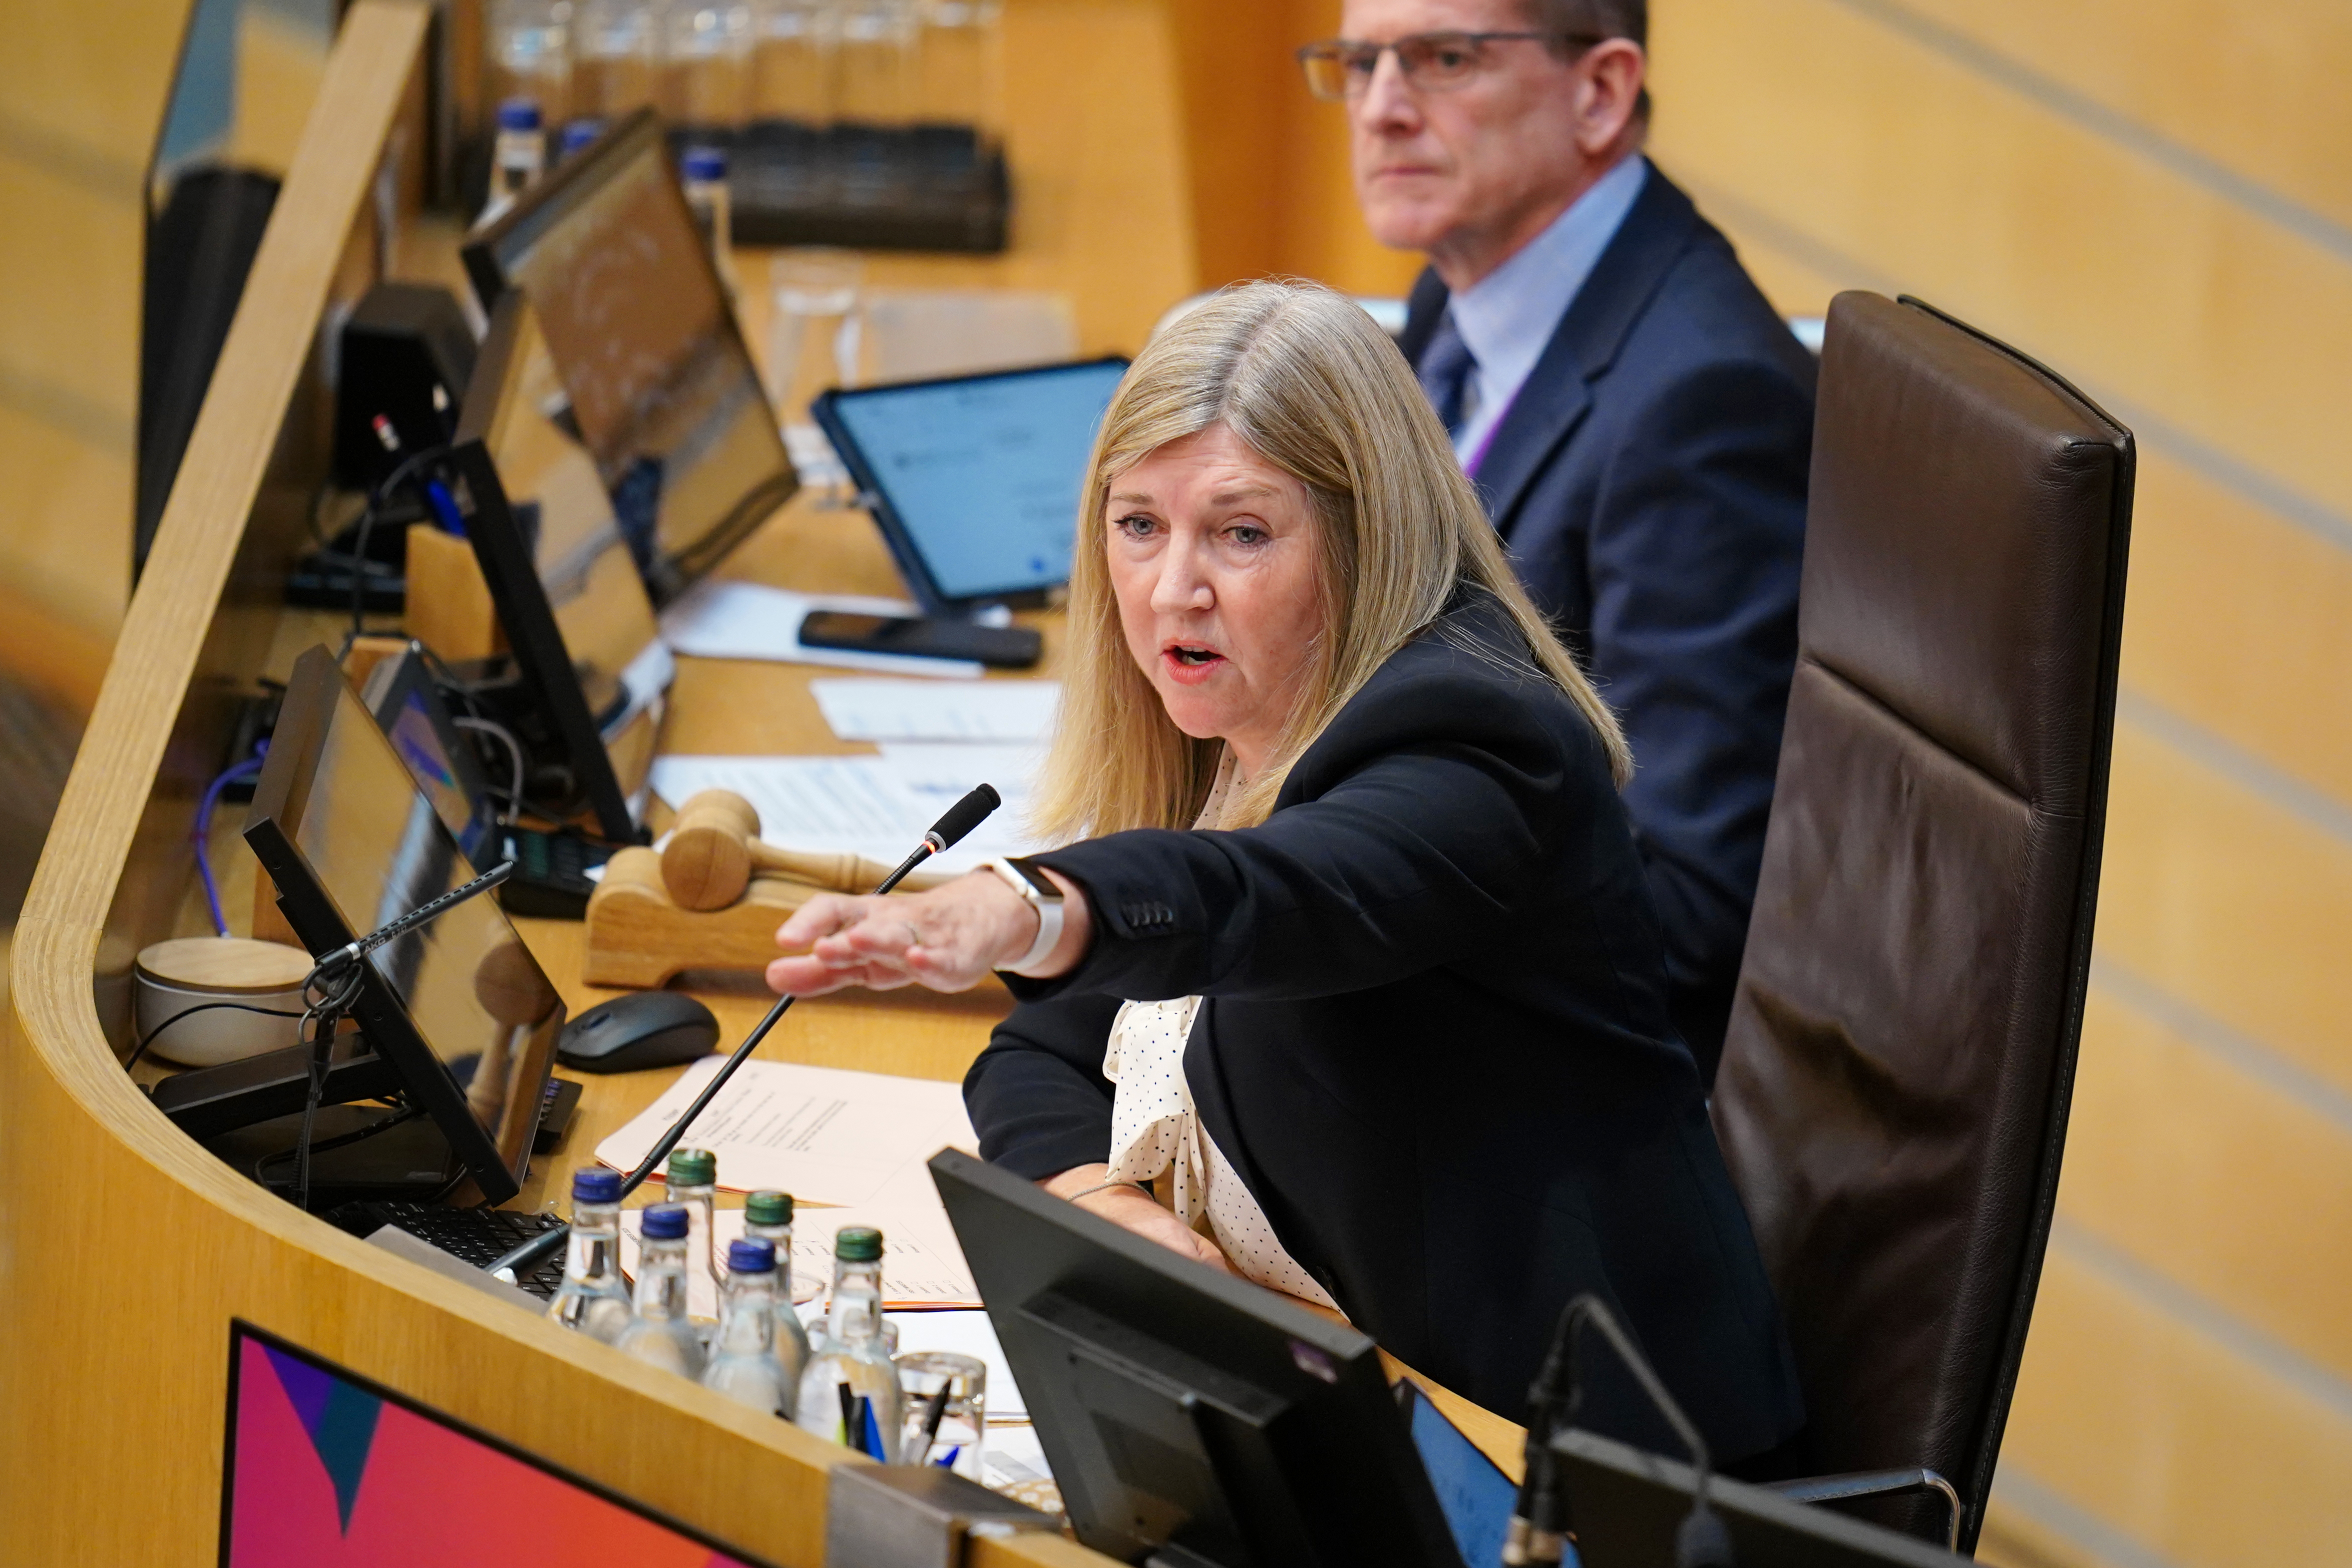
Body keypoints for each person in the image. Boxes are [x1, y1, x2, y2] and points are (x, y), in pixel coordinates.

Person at [766, 281, 1802, 1457]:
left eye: (1242, 532)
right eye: (1138, 524)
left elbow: (1281, 899)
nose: (1171, 590)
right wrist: (1098, 1202)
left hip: (1575, 1472)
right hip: (1342, 1406)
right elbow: (1043, 1053)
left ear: (1366, 538)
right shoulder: (1237, 732)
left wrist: (1029, 902)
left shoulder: (1476, 741)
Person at [1302, 0, 1816, 1079]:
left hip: (1540, 1093)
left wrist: (1306, 922)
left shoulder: (1704, 401)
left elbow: (1679, 905)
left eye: (1445, 59)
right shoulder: (1458, 295)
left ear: (1601, 92)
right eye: (1360, 63)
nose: (1383, 111)